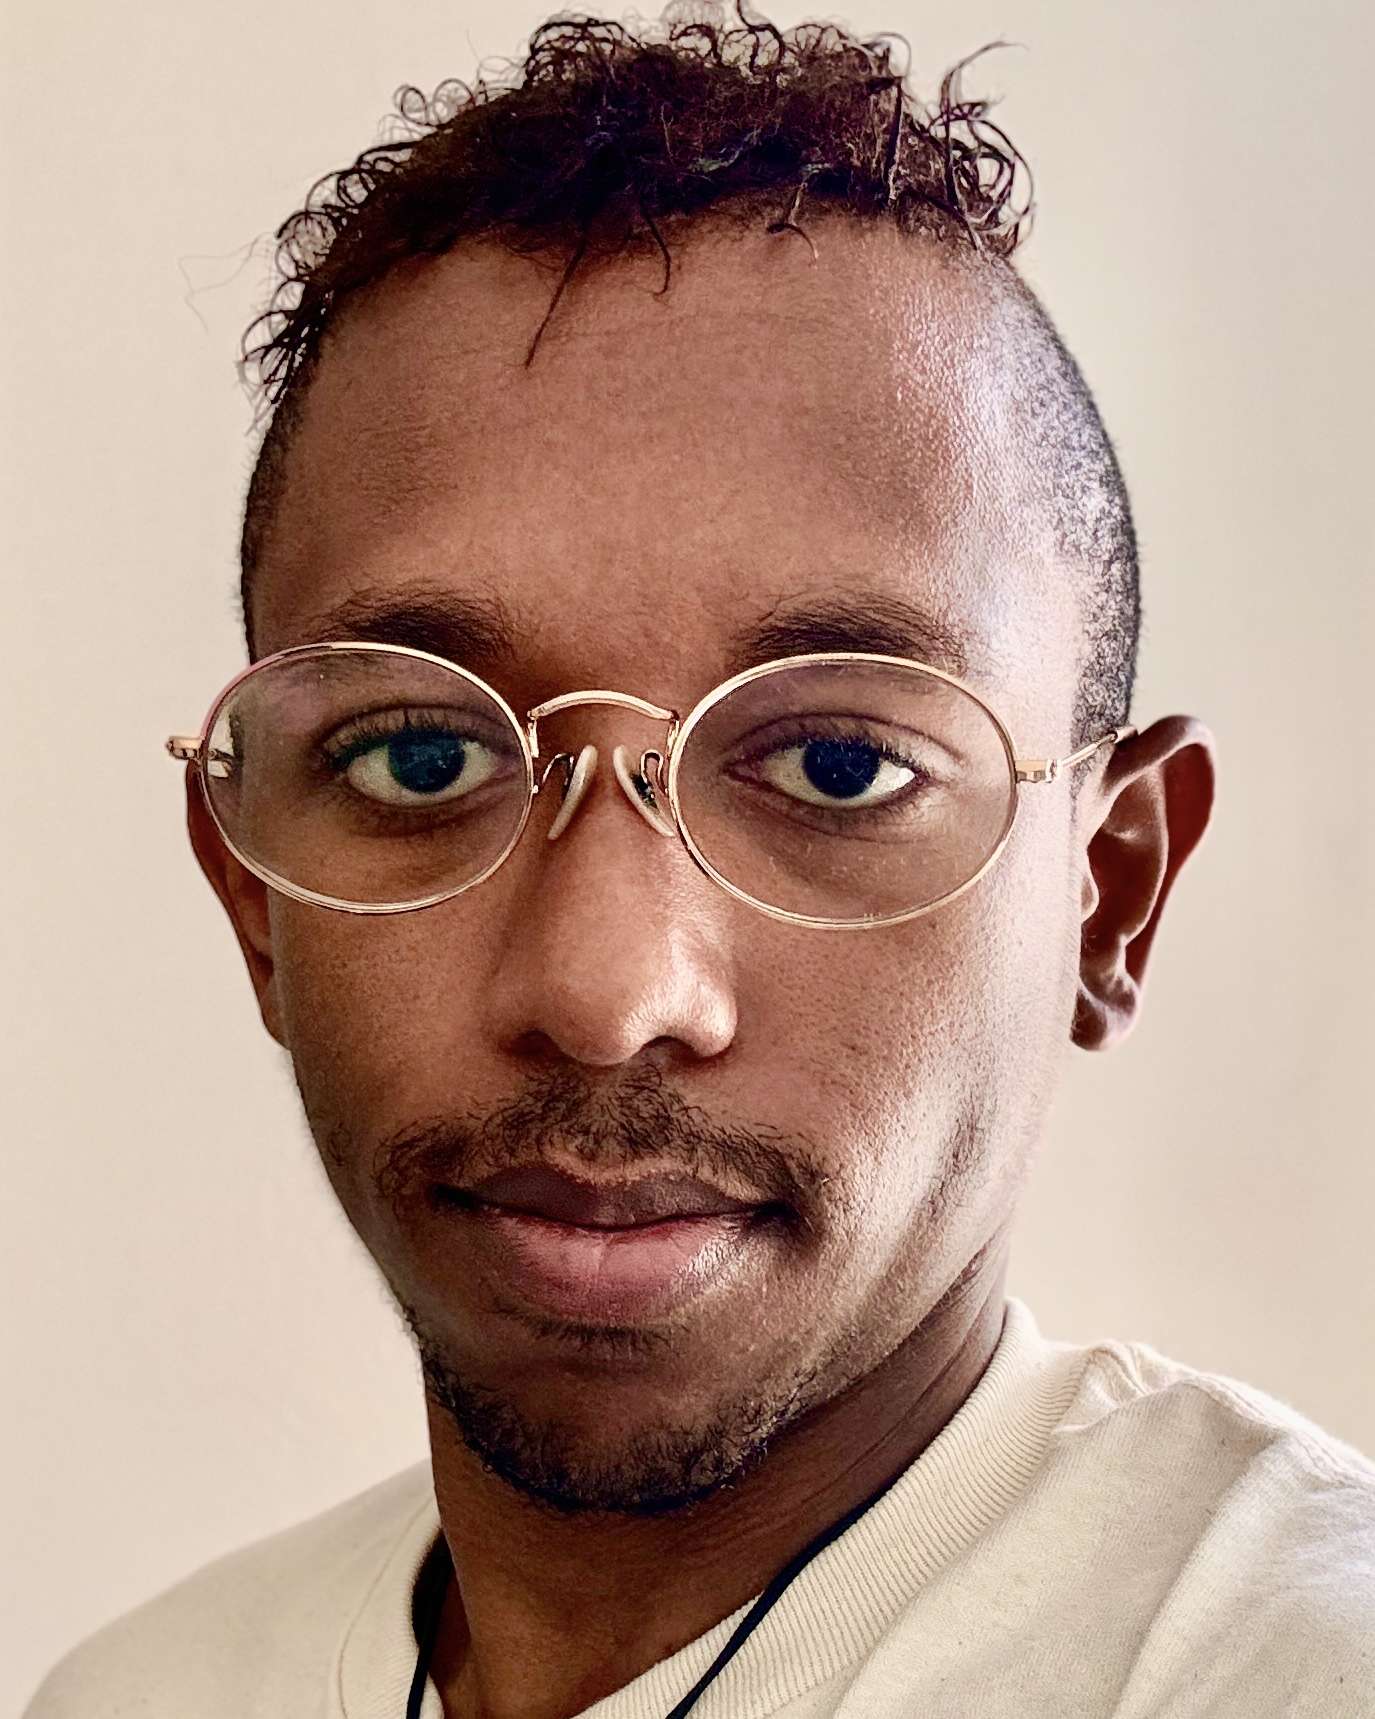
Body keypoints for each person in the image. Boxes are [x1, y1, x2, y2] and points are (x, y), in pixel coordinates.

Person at [26, 7, 1374, 1717]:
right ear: (255, 898)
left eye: (837, 767)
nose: (606, 994)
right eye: (421, 757)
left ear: (1109, 890)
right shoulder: (140, 1695)